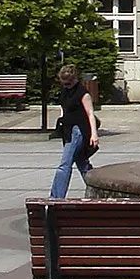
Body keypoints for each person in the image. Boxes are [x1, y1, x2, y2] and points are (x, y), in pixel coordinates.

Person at [47, 65, 99, 200]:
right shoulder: (64, 91)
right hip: (68, 130)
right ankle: (98, 190)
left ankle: (56, 197)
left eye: (69, 83)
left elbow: (90, 114)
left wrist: (94, 134)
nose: (67, 86)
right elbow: (64, 110)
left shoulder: (83, 93)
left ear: (75, 78)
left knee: (65, 164)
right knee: (81, 162)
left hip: (79, 130)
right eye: (64, 83)